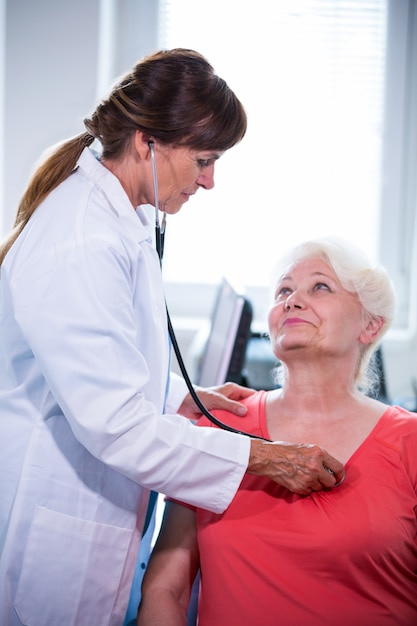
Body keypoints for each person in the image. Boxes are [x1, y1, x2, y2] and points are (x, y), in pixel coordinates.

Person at [0, 49, 344, 626]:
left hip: (87, 498)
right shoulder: (81, 237)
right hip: (52, 517)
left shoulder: (119, 218)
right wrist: (267, 460)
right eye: (204, 160)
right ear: (146, 142)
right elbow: (115, 426)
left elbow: (98, 376)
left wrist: (176, 401)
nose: (210, 181)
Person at [137, 236, 417, 626]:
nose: (292, 300)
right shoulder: (222, 424)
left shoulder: (410, 442)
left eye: (320, 287)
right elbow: (165, 590)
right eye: (284, 290)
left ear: (370, 325)